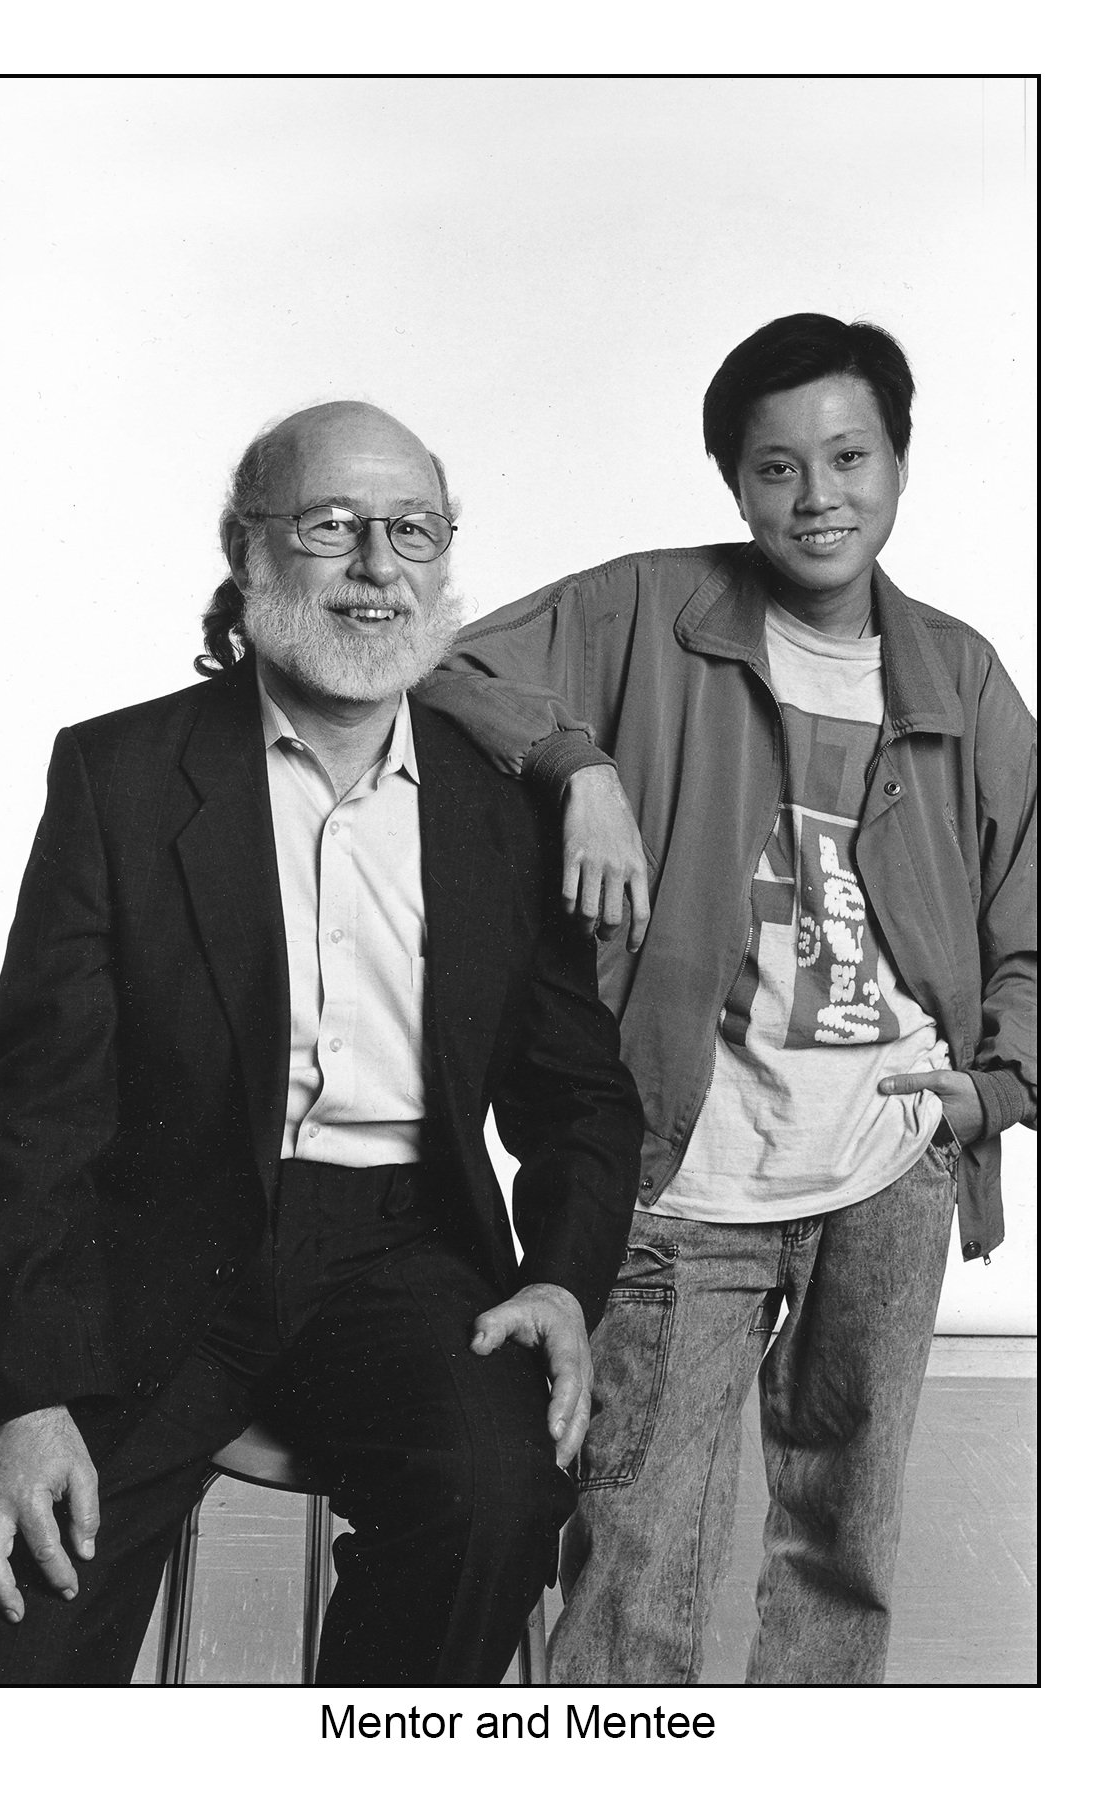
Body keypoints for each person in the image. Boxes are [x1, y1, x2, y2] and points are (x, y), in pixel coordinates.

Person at [417, 314, 1037, 1684]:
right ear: (734, 483)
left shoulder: (963, 674)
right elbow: (448, 673)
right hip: (681, 1177)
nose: (818, 497)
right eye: (776, 467)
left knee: (843, 1557)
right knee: (635, 1560)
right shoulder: (646, 609)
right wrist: (577, 764)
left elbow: (1041, 913)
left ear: (900, 462)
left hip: (888, 1172)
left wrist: (993, 1091)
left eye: (849, 458)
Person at [0, 400, 642, 1686]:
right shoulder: (121, 775)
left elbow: (582, 1101)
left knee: (493, 1505)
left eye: (413, 530)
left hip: (405, 1250)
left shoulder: (505, 812)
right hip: (153, 1249)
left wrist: (563, 1281)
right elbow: (35, 1113)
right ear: (248, 551)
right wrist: (22, 1393)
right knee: (22, 1605)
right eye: (331, 526)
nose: (377, 567)